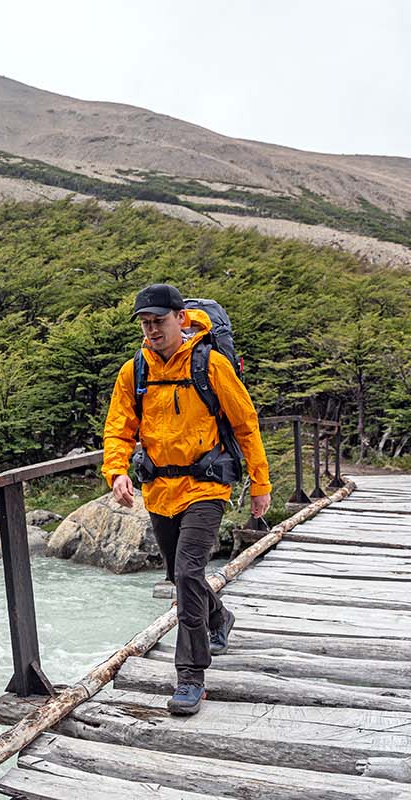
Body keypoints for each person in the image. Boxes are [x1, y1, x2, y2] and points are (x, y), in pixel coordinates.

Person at [102, 283, 272, 716]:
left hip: (206, 486)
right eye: (145, 323)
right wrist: (117, 470)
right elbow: (119, 427)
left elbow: (245, 423)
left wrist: (260, 483)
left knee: (187, 571)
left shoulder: (211, 365)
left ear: (181, 318)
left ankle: (191, 676)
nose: (152, 329)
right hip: (159, 489)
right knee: (184, 578)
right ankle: (219, 618)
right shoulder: (134, 371)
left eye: (158, 321)